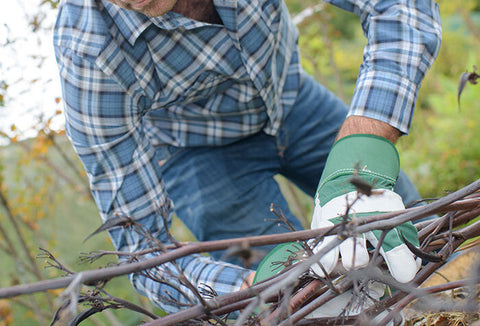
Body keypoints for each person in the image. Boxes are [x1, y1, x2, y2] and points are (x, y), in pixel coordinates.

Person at [53, 0, 442, 316]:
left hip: (292, 100)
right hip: (199, 153)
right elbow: (143, 252)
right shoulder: (89, 52)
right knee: (309, 301)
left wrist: (362, 149)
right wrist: (258, 287)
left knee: (410, 230)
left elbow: (400, 6)